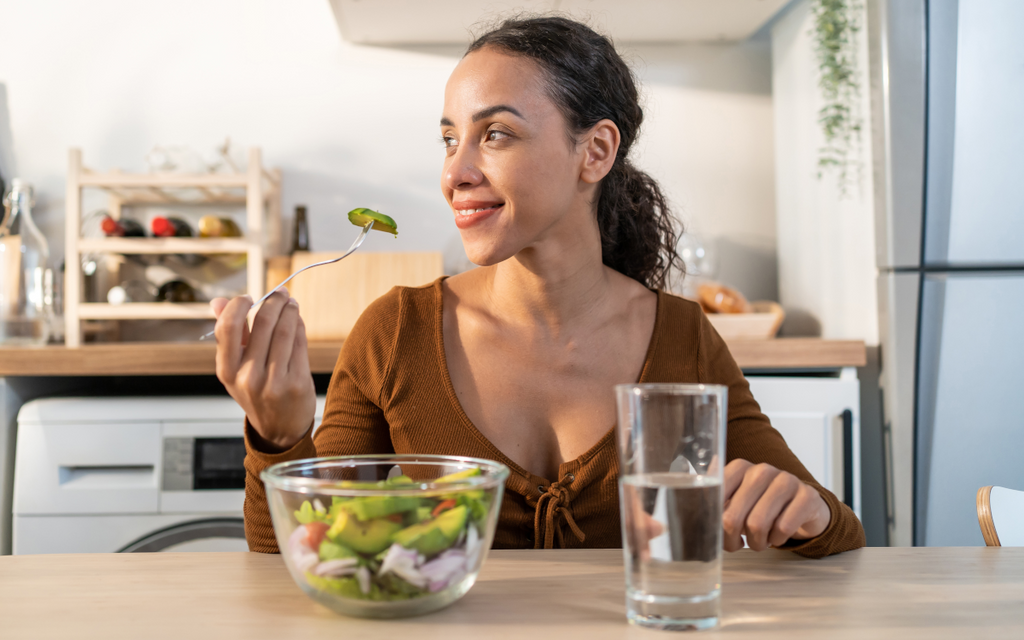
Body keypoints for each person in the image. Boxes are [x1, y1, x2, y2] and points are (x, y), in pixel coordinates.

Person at [212, 16, 865, 558]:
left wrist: (803, 512)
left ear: (596, 152)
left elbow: (835, 535)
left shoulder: (682, 338)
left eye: (494, 134)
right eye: (449, 139)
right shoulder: (395, 333)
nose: (455, 172)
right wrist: (277, 437)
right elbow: (308, 556)